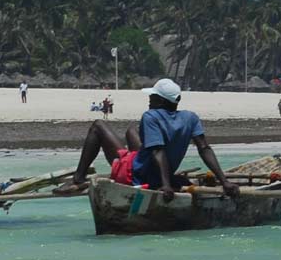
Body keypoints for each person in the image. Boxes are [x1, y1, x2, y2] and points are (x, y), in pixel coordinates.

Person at [67, 78, 238, 201]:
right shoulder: (190, 117)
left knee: (98, 125)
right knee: (132, 130)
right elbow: (204, 149)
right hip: (161, 171)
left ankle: (79, 178)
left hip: (135, 175)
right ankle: (144, 163)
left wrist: (165, 186)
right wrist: (224, 181)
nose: (149, 99)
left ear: (161, 100)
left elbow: (158, 151)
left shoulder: (151, 116)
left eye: (153, 96)